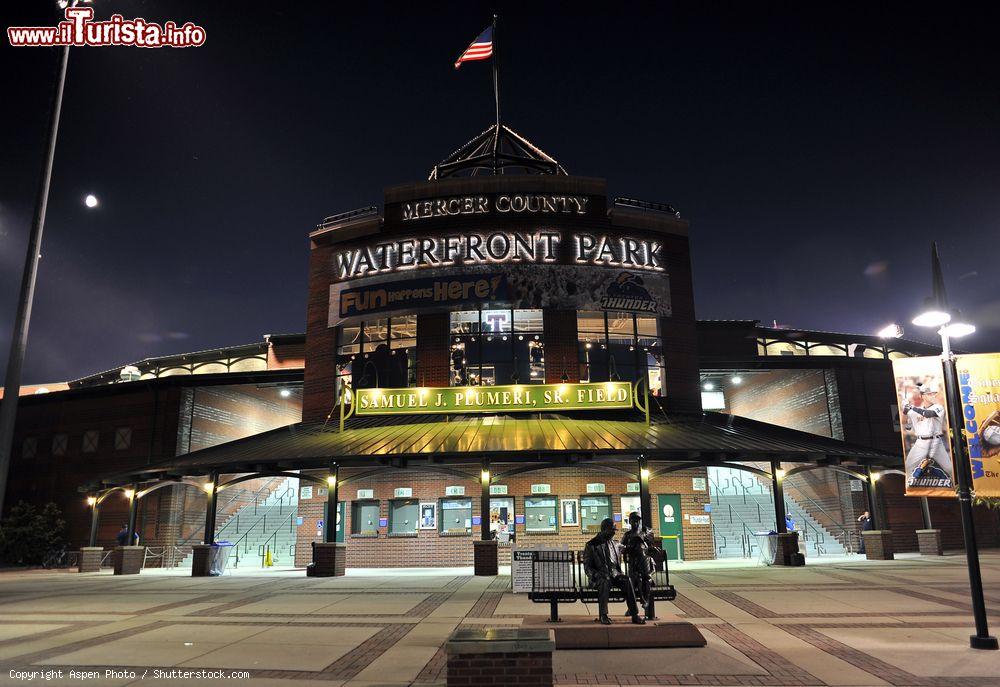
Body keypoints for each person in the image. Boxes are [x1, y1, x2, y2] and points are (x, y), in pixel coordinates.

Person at [582, 517, 645, 625]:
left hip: (615, 575)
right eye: (612, 530)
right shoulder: (591, 545)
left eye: (614, 531)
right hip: (600, 577)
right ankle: (603, 615)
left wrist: (643, 543)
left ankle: (634, 615)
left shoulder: (615, 544)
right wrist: (595, 575)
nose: (613, 533)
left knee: (627, 580)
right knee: (605, 581)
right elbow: (587, 566)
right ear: (604, 529)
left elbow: (630, 548)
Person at [903, 384, 953, 487]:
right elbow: (905, 424)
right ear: (922, 396)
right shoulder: (915, 411)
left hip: (936, 443)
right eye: (929, 394)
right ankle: (909, 488)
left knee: (949, 468)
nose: (933, 396)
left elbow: (929, 414)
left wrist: (912, 407)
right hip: (920, 443)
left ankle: (954, 487)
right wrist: (905, 410)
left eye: (933, 393)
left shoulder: (939, 407)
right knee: (908, 466)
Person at [621, 511, 662, 619]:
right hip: (633, 562)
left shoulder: (645, 533)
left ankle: (646, 600)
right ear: (630, 522)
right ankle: (631, 608)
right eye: (634, 520)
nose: (636, 523)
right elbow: (622, 548)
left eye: (638, 520)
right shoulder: (627, 535)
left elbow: (649, 545)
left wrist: (651, 549)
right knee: (631, 583)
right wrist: (626, 552)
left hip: (643, 560)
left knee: (647, 578)